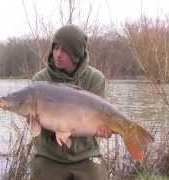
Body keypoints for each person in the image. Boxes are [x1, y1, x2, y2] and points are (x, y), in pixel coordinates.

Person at [30, 24, 111, 180]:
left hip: (86, 153)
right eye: (55, 48)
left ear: (76, 54)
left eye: (65, 50)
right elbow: (36, 129)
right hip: (49, 154)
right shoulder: (40, 80)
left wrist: (103, 129)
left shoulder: (95, 78)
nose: (58, 54)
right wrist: (33, 119)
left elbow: (99, 119)